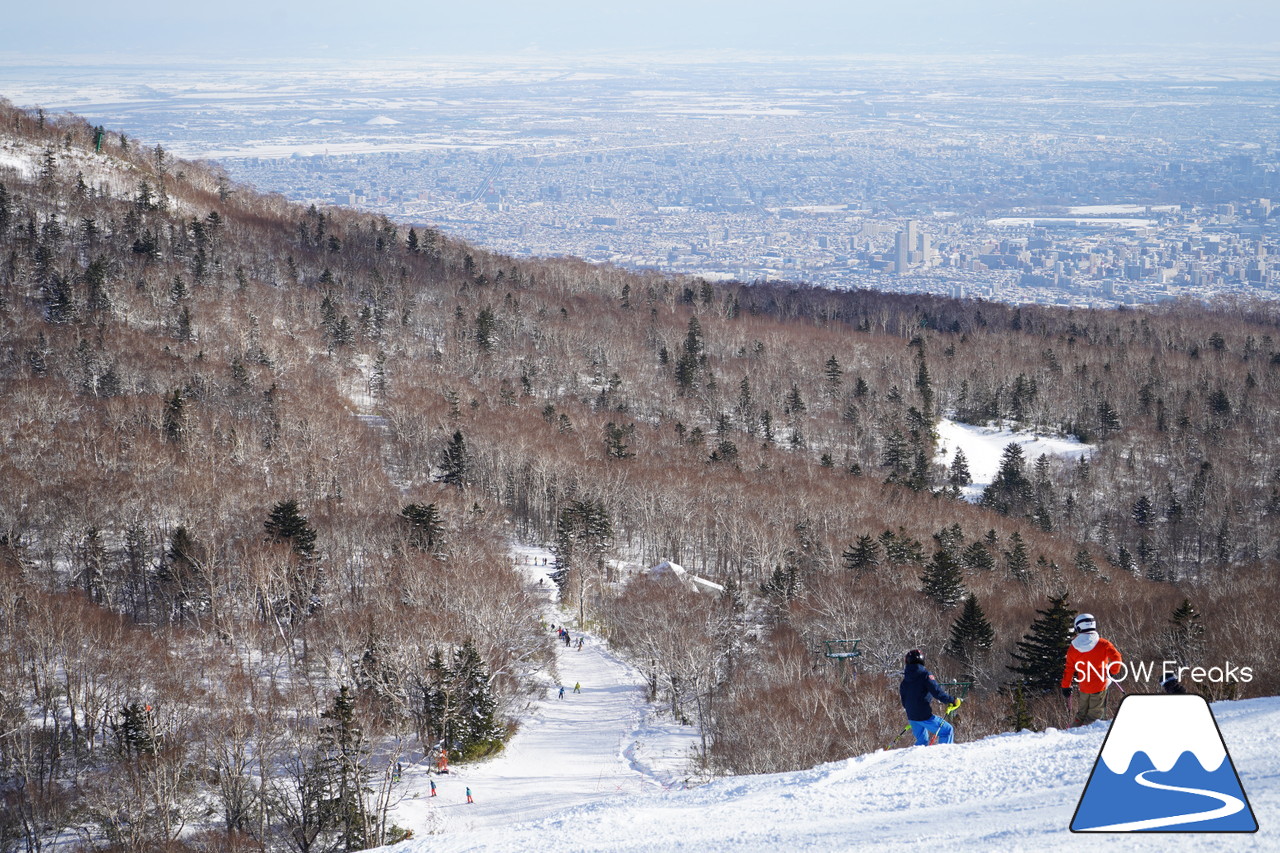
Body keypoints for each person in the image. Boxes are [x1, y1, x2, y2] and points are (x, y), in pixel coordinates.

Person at [1061, 613, 1123, 726]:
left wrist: (1066, 686)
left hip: (1084, 686)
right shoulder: (1103, 644)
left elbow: (1069, 669)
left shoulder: (1073, 647)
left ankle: (1073, 730)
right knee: (1094, 716)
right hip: (1099, 685)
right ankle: (1082, 735)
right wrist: (1112, 671)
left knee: (1081, 713)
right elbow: (1117, 657)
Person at [899, 649, 959, 745]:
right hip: (924, 715)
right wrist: (952, 700)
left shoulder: (905, 680)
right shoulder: (925, 675)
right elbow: (937, 692)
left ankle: (914, 758)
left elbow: (904, 701)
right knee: (947, 731)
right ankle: (944, 757)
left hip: (911, 716)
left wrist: (913, 712)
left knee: (922, 741)